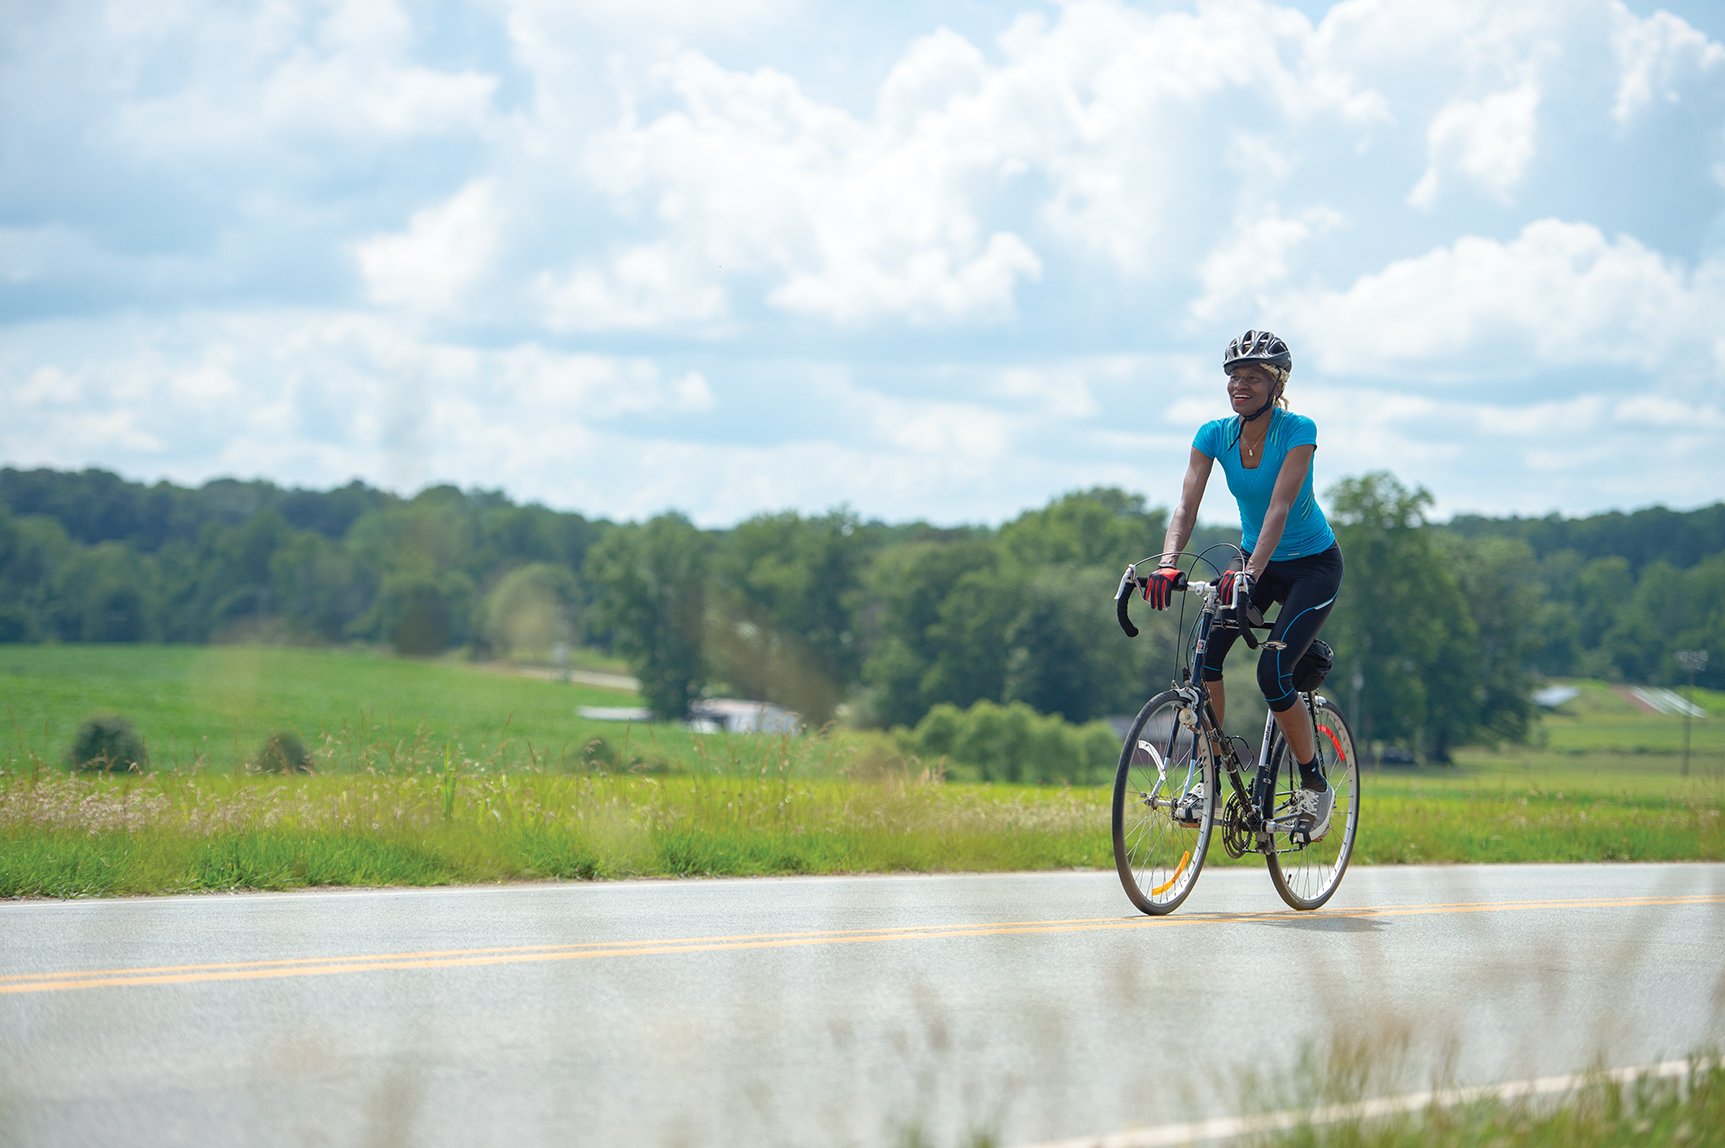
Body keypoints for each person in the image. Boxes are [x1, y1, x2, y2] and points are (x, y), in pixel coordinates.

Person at [1142, 329, 1344, 840]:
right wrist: (1168, 563)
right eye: (1234, 376)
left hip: (1312, 565)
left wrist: (1249, 574)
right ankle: (1208, 775)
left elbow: (1278, 509)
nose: (1241, 385)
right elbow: (1186, 505)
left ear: (1276, 384)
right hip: (1257, 560)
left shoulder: (1298, 430)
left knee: (1274, 672)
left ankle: (1315, 785)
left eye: (1253, 377)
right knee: (1205, 656)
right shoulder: (1213, 434)